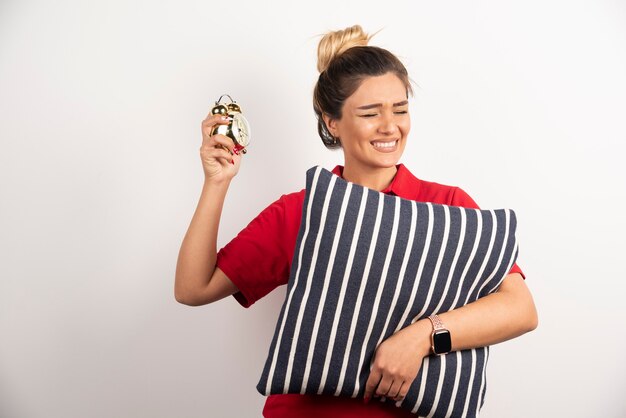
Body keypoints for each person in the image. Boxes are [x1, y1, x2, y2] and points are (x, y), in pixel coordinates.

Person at [175, 25, 538, 418]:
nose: (390, 126)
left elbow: (520, 309)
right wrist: (216, 182)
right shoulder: (303, 210)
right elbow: (194, 287)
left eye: (400, 109)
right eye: (370, 113)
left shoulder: (448, 204)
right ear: (332, 122)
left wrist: (422, 337)